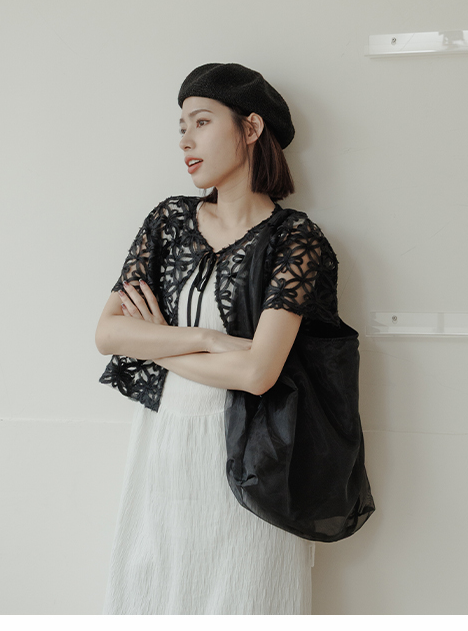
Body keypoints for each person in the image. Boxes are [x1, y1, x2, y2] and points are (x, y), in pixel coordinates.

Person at [95, 62, 338, 615]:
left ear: (250, 128)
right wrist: (208, 338)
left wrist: (159, 341)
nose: (185, 140)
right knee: (151, 595)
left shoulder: (295, 239)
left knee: (245, 602)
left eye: (202, 122)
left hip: (254, 463)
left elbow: (257, 373)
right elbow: (109, 333)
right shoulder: (168, 223)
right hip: (163, 453)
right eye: (181, 126)